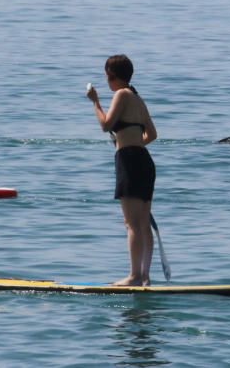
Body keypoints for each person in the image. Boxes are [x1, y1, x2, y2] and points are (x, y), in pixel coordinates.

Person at [86, 54, 158, 286]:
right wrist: (130, 143)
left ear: (112, 76)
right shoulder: (137, 98)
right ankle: (145, 276)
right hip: (144, 160)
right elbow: (152, 135)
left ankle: (134, 276)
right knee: (143, 222)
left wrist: (95, 102)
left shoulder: (121, 94)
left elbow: (106, 124)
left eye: (107, 76)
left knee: (132, 223)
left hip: (128, 160)